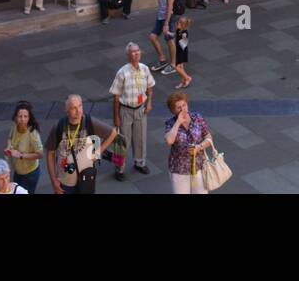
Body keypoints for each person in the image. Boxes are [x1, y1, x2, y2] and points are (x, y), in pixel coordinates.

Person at [47, 94, 118, 195]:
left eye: (80, 106)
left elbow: (113, 133)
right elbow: (50, 154)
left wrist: (97, 153)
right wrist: (54, 180)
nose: (78, 110)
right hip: (65, 183)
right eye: (74, 108)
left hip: (86, 180)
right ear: (67, 110)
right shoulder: (58, 127)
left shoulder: (89, 122)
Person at [109, 42, 155, 181]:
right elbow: (116, 97)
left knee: (140, 138)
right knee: (123, 141)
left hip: (140, 109)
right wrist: (116, 117)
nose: (137, 53)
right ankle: (119, 168)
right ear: (128, 55)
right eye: (133, 52)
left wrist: (149, 103)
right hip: (125, 110)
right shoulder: (122, 72)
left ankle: (139, 163)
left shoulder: (145, 69)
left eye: (138, 50)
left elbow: (150, 87)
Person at [164, 91, 212, 195]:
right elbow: (169, 141)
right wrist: (178, 122)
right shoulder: (171, 123)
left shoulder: (197, 118)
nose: (182, 109)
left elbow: (208, 137)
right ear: (173, 110)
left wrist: (199, 147)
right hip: (179, 169)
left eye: (184, 105)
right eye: (178, 107)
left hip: (199, 166)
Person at [4, 101, 43, 194]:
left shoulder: (32, 133)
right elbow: (10, 138)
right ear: (16, 117)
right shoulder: (14, 127)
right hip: (18, 172)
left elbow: (40, 154)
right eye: (20, 116)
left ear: (29, 118)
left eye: (25, 116)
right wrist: (8, 148)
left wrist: (20, 155)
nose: (22, 119)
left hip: (30, 174)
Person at [147, 0, 178, 74]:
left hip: (168, 17)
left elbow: (170, 6)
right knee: (152, 37)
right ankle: (162, 60)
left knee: (169, 40)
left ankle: (174, 65)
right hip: (160, 16)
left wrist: (166, 23)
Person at [173, 16, 192, 88]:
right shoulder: (178, 30)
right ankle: (183, 81)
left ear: (183, 25)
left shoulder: (184, 33)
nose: (177, 24)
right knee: (181, 67)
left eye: (178, 24)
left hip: (182, 52)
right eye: (177, 23)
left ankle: (187, 78)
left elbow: (184, 44)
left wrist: (183, 37)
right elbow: (176, 37)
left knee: (177, 67)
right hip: (178, 50)